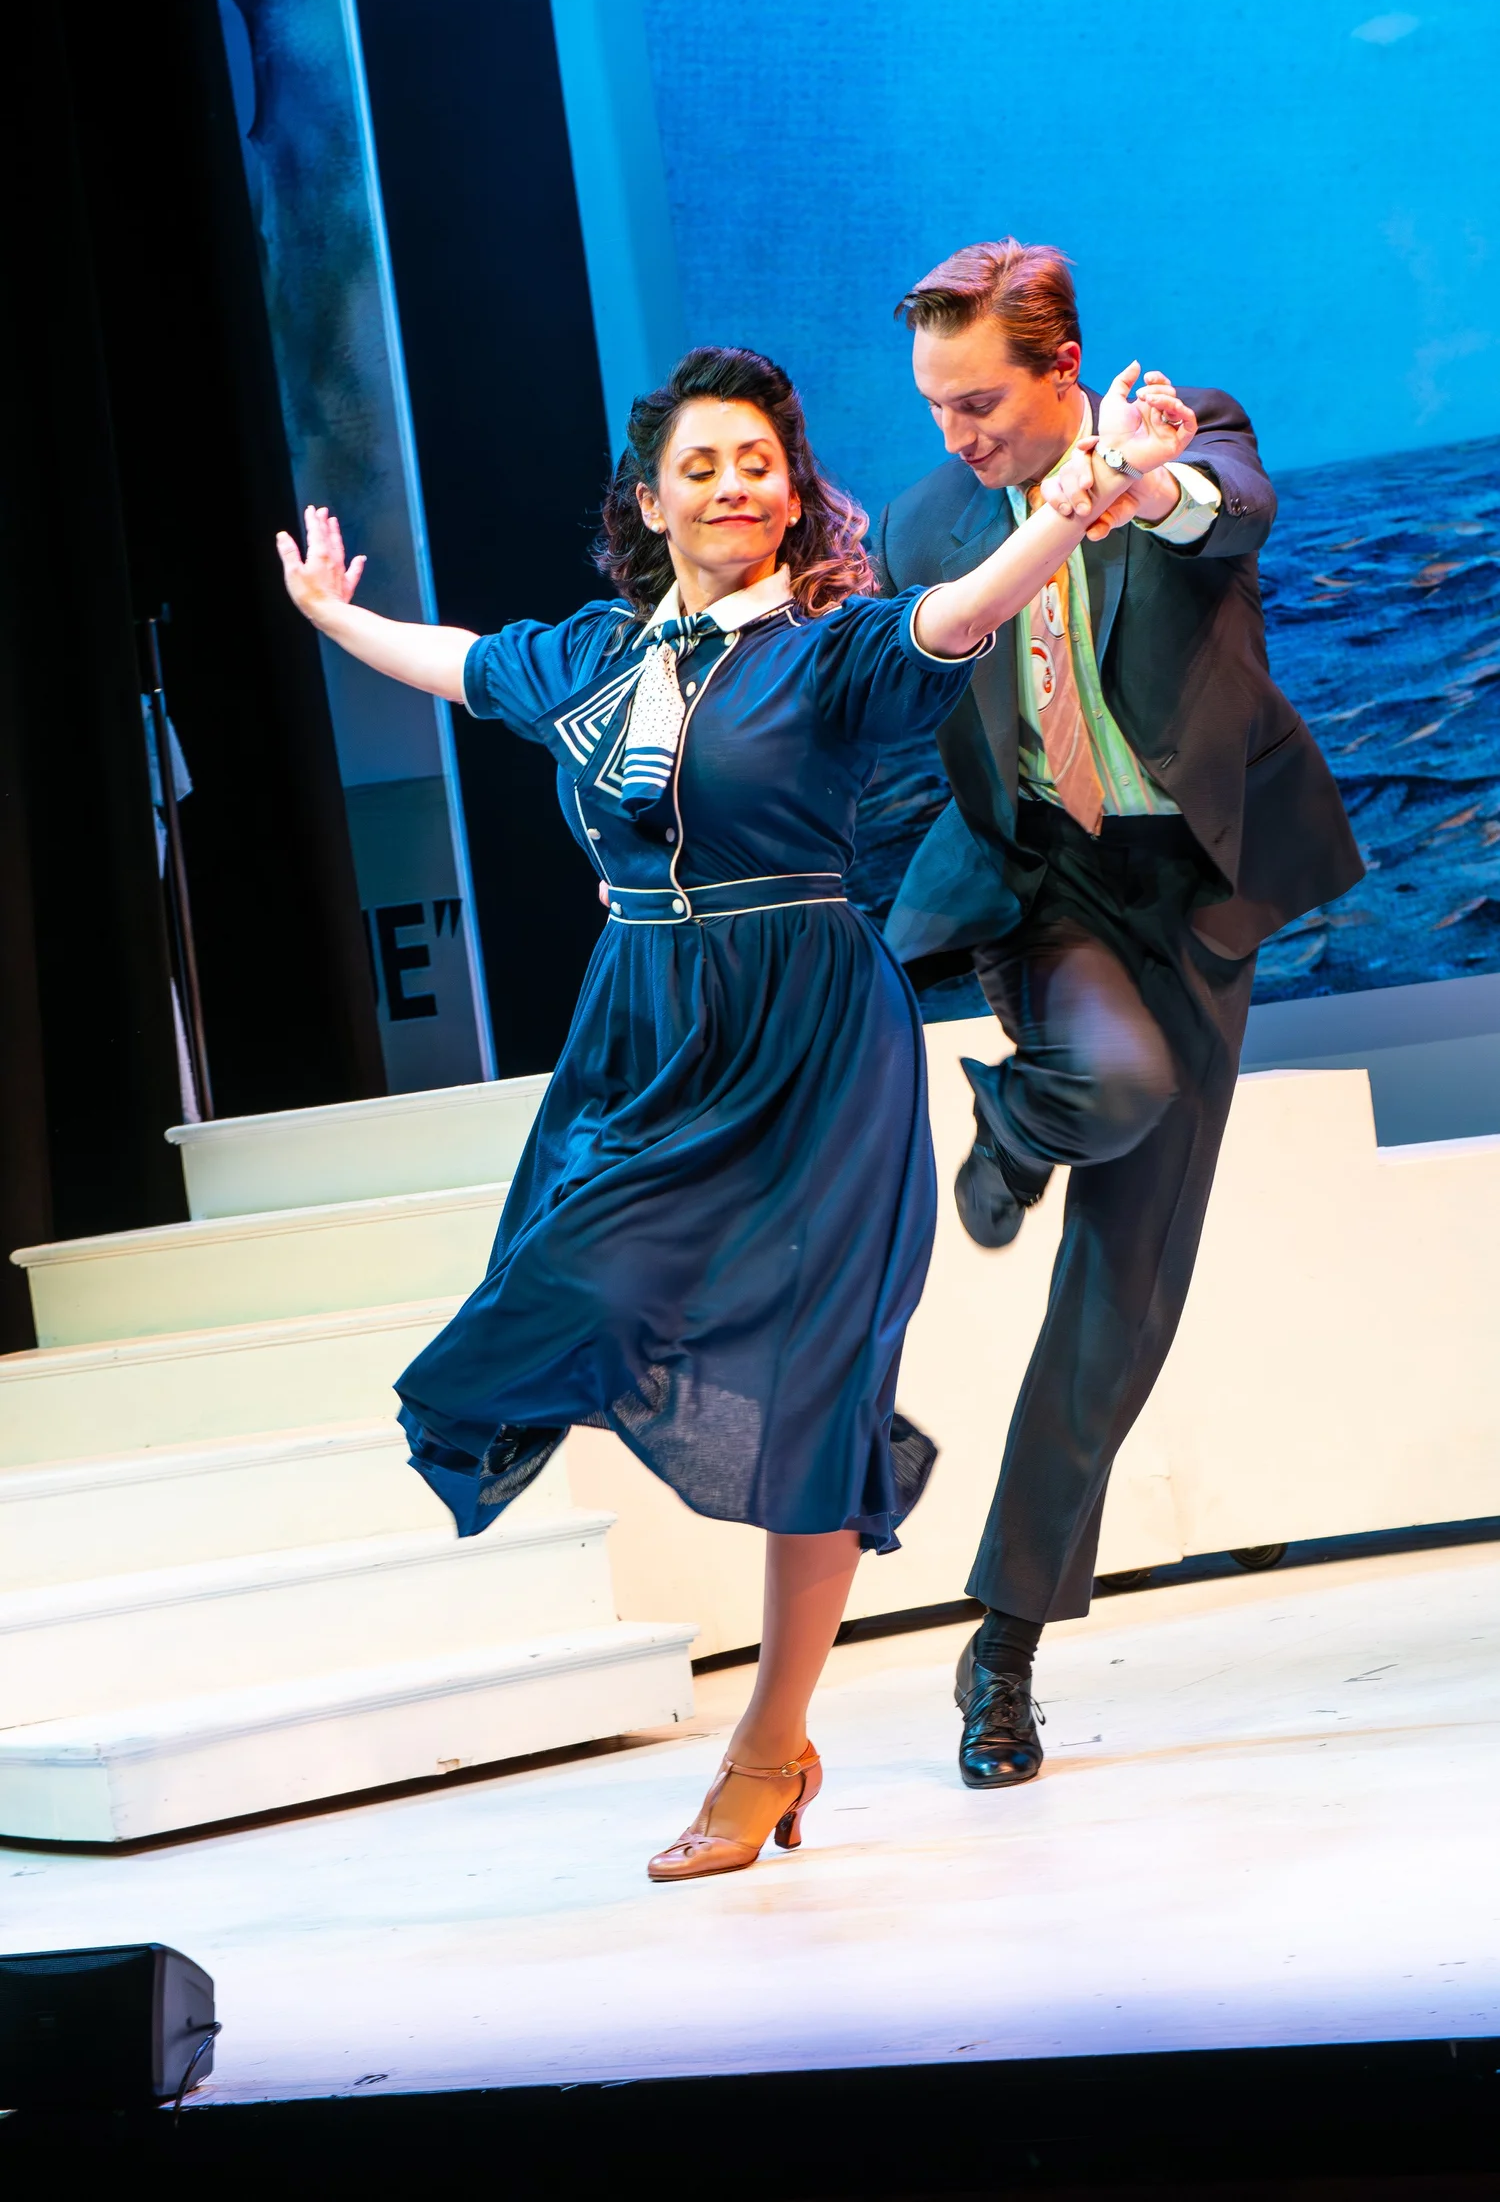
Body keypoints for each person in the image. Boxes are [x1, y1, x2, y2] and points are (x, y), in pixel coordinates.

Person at [276, 342, 1194, 1877]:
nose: (730, 488)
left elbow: (965, 612)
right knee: (574, 1293)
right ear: (650, 501)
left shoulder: (827, 651)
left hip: (812, 1033)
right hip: (644, 1034)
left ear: (790, 493)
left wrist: (1077, 500)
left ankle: (769, 1746)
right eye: (697, 467)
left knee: (814, 1393)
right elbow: (462, 662)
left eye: (756, 464)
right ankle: (778, 1682)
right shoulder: (589, 658)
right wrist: (332, 617)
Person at [874, 241, 1364, 1792]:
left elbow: (1234, 507)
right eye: (935, 404)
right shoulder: (927, 522)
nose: (956, 433)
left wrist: (1142, 486)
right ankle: (1029, 1118)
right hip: (1044, 886)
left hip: (1192, 887)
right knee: (1117, 1081)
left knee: (1123, 1300)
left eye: (978, 402)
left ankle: (1003, 1647)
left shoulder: (1186, 429)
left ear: (1061, 370)